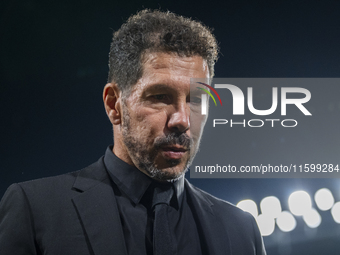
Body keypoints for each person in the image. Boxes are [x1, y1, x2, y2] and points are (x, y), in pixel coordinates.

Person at [0, 9, 266, 255]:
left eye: (196, 99)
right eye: (160, 96)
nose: (182, 120)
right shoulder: (36, 210)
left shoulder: (241, 230)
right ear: (114, 104)